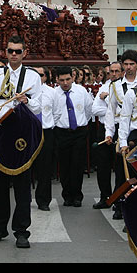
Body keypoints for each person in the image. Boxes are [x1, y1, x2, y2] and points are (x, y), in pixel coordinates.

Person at [0, 35, 42, 249]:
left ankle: (22, 231)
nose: (14, 54)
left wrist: (28, 100)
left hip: (22, 134)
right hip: (0, 131)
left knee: (22, 186)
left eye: (18, 51)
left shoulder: (33, 77)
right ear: (5, 52)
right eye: (10, 51)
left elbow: (39, 107)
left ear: (24, 53)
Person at [52, 66, 93, 207]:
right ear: (57, 80)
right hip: (61, 132)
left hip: (79, 132)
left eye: (68, 79)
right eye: (62, 80)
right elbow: (52, 113)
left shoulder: (81, 91)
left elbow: (88, 110)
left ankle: (77, 195)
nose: (65, 83)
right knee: (64, 166)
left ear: (73, 77)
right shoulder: (54, 94)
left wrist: (81, 124)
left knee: (77, 164)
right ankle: (67, 195)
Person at [110, 49, 137, 220]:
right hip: (122, 132)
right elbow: (111, 111)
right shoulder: (116, 86)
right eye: (126, 64)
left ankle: (136, 204)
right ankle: (119, 204)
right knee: (121, 172)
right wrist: (110, 134)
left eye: (132, 64)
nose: (129, 67)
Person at [91, 61, 123, 209]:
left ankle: (118, 199)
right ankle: (105, 197)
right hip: (104, 128)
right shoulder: (104, 87)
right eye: (112, 72)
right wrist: (112, 109)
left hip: (120, 128)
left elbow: (126, 110)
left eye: (117, 71)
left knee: (119, 167)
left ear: (122, 72)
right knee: (103, 165)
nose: (114, 74)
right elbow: (95, 110)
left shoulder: (125, 88)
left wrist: (109, 101)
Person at [32, 65, 56, 211]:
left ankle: (43, 200)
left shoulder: (52, 92)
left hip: (46, 131)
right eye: (35, 75)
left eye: (41, 75)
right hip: (29, 133)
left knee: (45, 168)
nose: (38, 78)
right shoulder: (26, 91)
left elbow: (57, 112)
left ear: (46, 77)